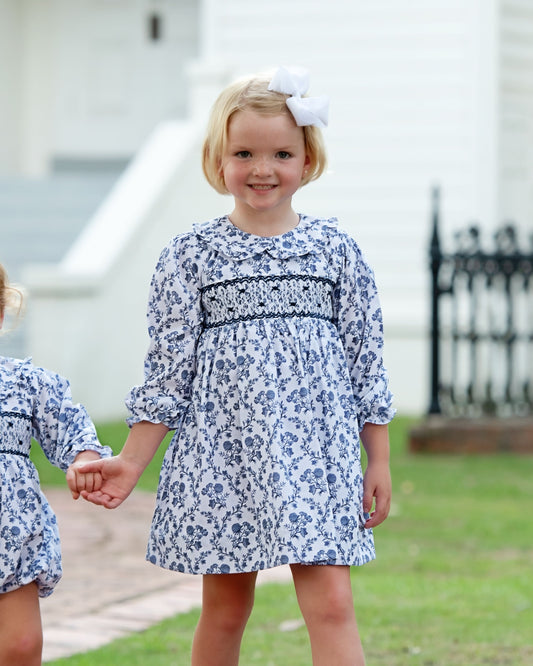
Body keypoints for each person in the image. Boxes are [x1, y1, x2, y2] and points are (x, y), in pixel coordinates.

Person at [75, 66, 395, 665]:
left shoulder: (336, 251)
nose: (262, 168)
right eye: (243, 152)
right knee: (225, 610)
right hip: (223, 458)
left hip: (317, 461)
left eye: (281, 153)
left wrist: (377, 459)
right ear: (218, 159)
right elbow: (167, 375)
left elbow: (366, 365)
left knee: (330, 604)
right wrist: (131, 462)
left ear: (307, 159)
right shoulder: (190, 256)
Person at [0, 263, 112, 665]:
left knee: (21, 647)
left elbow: (70, 424)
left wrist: (85, 458)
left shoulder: (23, 382)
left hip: (11, 535)